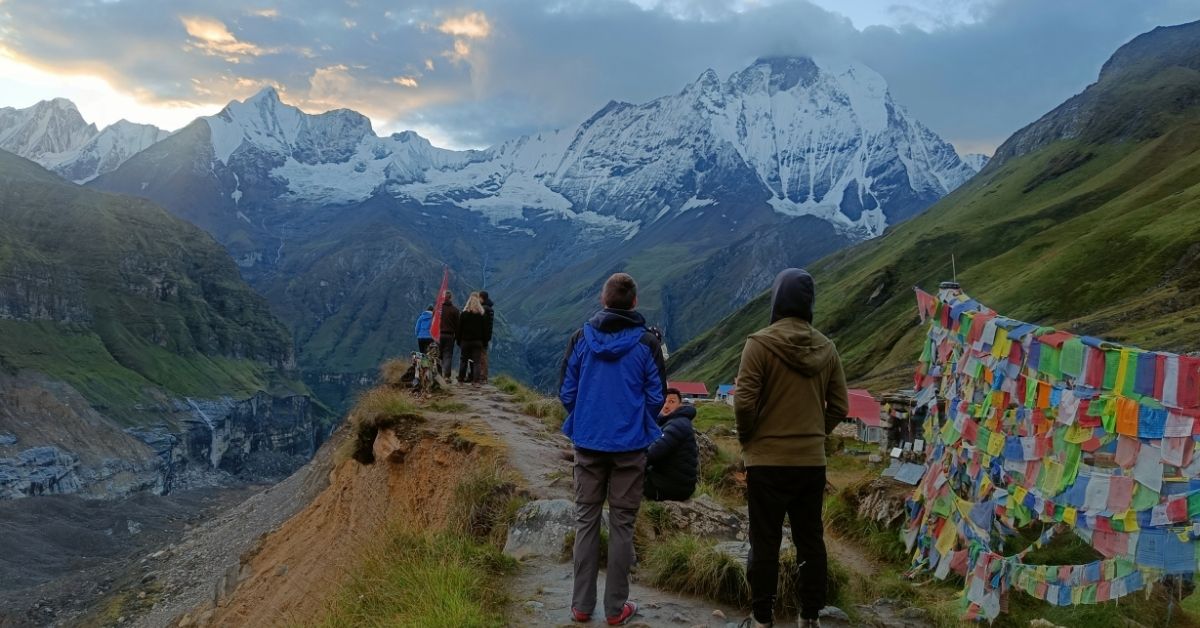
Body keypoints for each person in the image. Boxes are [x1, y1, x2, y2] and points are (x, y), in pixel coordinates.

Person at [734, 269, 848, 628]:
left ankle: (762, 618)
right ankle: (810, 616)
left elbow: (743, 402)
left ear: (777, 300)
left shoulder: (759, 343)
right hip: (811, 463)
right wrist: (818, 434)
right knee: (810, 540)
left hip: (766, 461)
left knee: (764, 540)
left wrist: (748, 438)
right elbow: (841, 406)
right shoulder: (827, 348)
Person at [559, 272, 665, 626]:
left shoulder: (581, 338)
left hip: (588, 444)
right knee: (622, 525)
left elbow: (567, 392)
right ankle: (616, 609)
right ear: (634, 302)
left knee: (586, 521)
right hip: (630, 448)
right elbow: (656, 396)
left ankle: (580, 607)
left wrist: (586, 418)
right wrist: (637, 422)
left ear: (603, 300)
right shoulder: (647, 344)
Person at [643, 388, 698, 502]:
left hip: (672, 487)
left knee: (625, 477)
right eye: (664, 402)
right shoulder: (671, 422)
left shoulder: (678, 424)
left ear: (680, 405)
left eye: (671, 402)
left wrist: (628, 462)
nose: (666, 406)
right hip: (676, 483)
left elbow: (652, 453)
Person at [457, 293, 488, 385]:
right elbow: (485, 331)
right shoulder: (482, 315)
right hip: (477, 342)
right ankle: (476, 381)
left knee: (463, 360)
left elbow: (459, 329)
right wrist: (484, 342)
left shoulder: (464, 314)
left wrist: (459, 341)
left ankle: (461, 380)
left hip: (465, 341)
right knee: (477, 362)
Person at [438, 292, 460, 379]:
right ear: (451, 298)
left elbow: (433, 323)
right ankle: (447, 376)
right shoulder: (455, 310)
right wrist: (457, 338)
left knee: (437, 355)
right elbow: (458, 326)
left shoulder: (438, 310)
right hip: (450, 335)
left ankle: (437, 375)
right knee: (447, 355)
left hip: (438, 335)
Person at [479, 291, 495, 383]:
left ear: (482, 298)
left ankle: (482, 376)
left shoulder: (484, 309)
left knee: (481, 356)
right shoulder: (490, 309)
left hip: (482, 336)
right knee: (484, 356)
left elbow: (482, 324)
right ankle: (484, 376)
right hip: (486, 335)